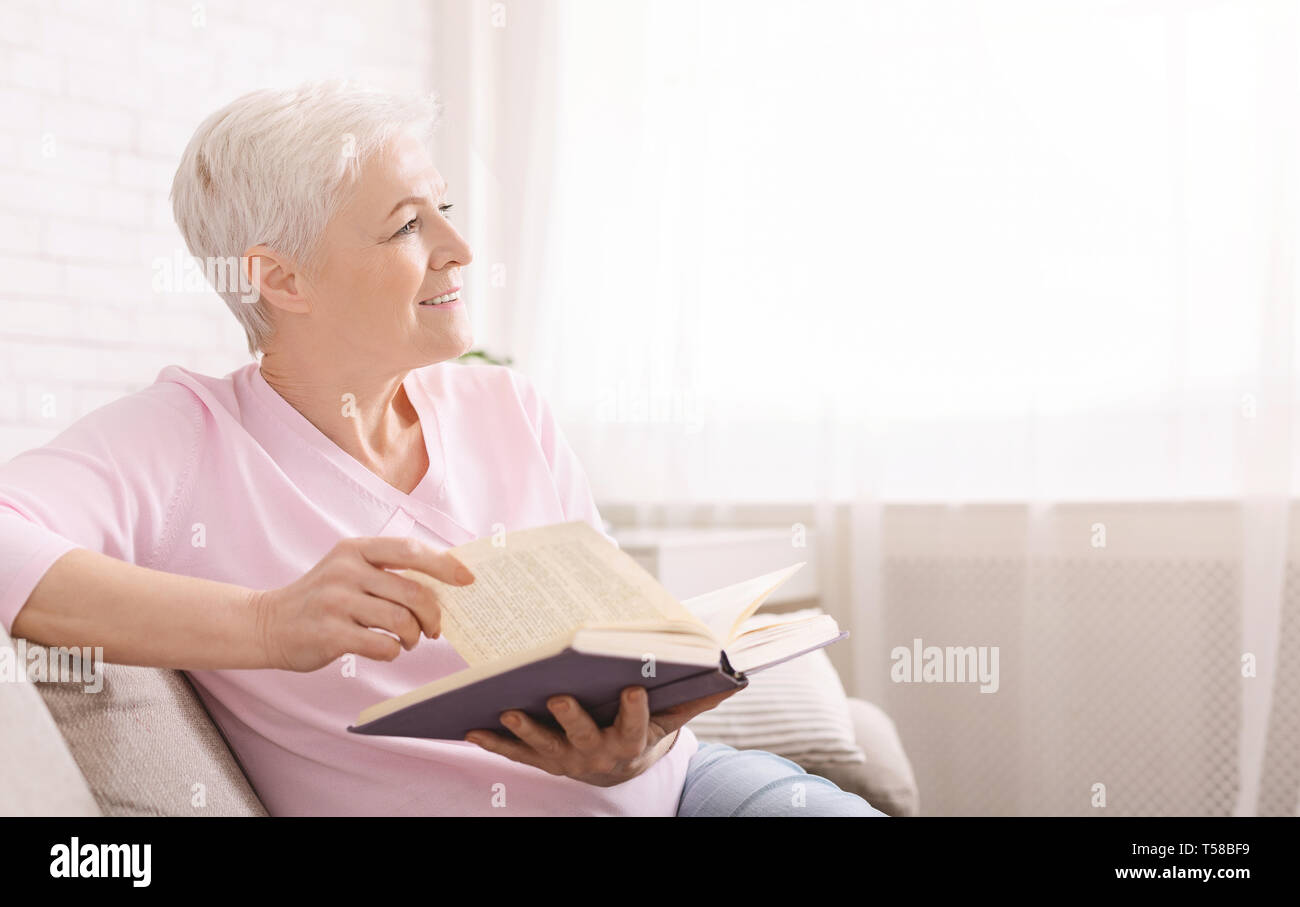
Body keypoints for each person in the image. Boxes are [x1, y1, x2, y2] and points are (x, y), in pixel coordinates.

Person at [0, 80, 884, 817]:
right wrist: (266, 624)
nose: (459, 250)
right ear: (279, 277)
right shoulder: (183, 438)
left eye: (446, 213)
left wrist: (638, 732)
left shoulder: (505, 406)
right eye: (406, 227)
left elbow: (624, 631)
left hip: (688, 791)